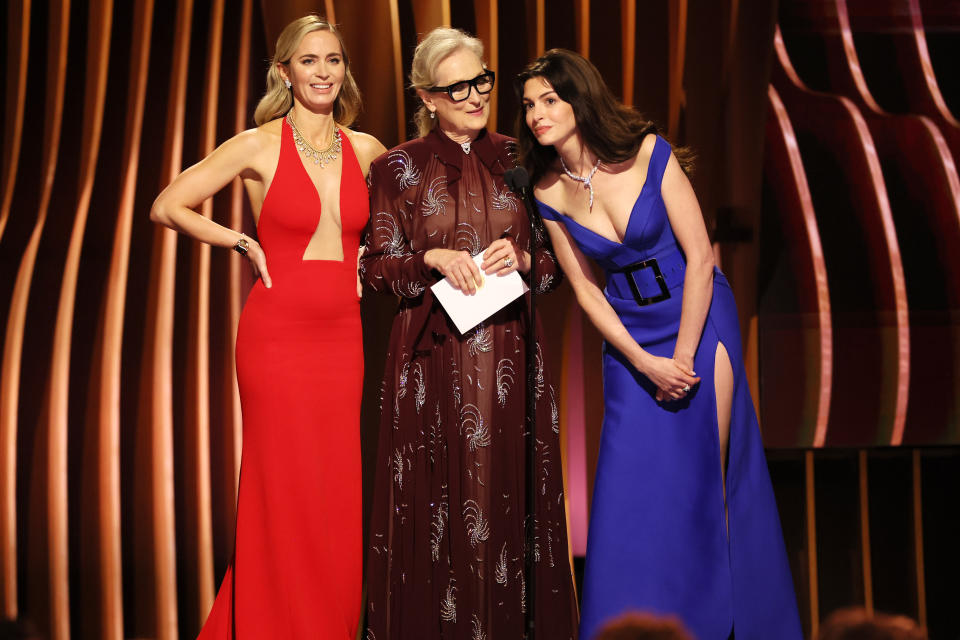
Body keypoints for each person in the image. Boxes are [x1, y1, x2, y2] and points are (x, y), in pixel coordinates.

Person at [517, 49, 802, 640]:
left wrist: (681, 355)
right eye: (528, 105)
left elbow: (701, 259)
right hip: (631, 345)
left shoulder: (649, 151)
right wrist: (644, 361)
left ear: (579, 99)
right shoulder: (546, 192)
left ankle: (708, 624)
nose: (537, 114)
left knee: (696, 478)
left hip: (698, 319)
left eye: (549, 100)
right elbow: (588, 295)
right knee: (626, 497)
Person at [150, 15, 385, 638]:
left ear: (345, 71)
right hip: (277, 335)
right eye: (309, 61)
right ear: (285, 71)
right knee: (280, 486)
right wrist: (239, 242)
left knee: (334, 489)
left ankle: (329, 624)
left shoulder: (367, 150)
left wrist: (375, 253)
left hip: (343, 334)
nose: (323, 72)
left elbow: (405, 228)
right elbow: (167, 204)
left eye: (333, 60)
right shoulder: (255, 144)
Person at [361, 27, 578, 640]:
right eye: (456, 87)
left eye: (480, 79)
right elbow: (374, 269)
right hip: (429, 361)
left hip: (511, 352)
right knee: (431, 505)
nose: (475, 95)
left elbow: (561, 265)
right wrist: (428, 259)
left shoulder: (525, 157)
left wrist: (528, 259)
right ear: (427, 96)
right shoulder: (396, 166)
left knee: (509, 499)